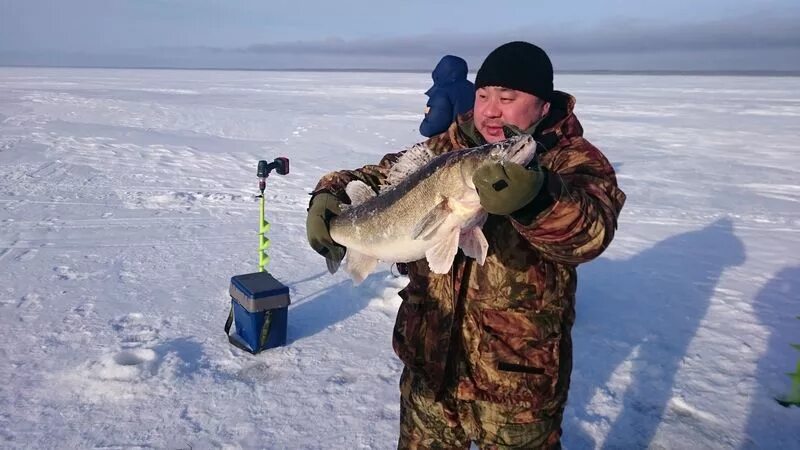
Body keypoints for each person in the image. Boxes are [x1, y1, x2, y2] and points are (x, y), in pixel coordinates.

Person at [306, 41, 626, 449]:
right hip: (429, 370)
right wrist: (325, 197)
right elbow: (374, 176)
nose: (491, 109)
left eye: (508, 98)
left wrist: (539, 200)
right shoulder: (442, 150)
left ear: (544, 107)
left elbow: (590, 235)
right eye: (483, 95)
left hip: (515, 386)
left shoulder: (572, 161)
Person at [419, 55, 475, 138]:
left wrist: (424, 127)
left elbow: (432, 127)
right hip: (475, 141)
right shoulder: (475, 89)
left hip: (451, 143)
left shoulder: (442, 93)